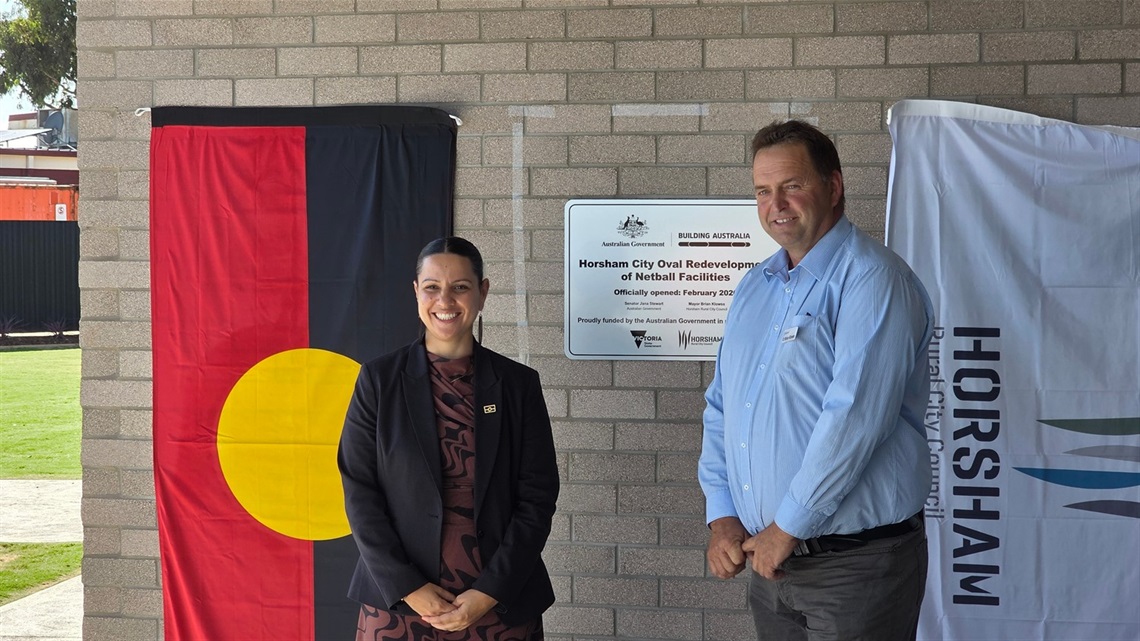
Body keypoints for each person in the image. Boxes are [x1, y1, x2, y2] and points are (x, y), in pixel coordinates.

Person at [699, 120, 934, 640]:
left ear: (833, 185)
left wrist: (788, 527)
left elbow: (855, 419)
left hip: (857, 568)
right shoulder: (755, 287)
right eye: (763, 190)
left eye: (792, 185)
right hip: (770, 561)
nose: (776, 203)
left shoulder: (873, 280)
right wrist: (723, 516)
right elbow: (722, 407)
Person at [339, 236, 559, 640]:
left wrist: (489, 592)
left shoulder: (517, 385)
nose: (445, 300)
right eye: (432, 287)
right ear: (415, 292)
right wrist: (409, 587)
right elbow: (360, 492)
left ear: (482, 292)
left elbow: (538, 497)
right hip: (399, 602)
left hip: (499, 601)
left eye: (460, 287)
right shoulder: (379, 380)